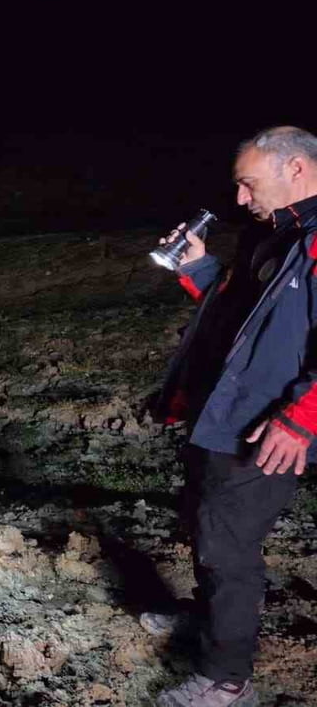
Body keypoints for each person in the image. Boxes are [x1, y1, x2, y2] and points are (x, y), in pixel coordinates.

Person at [145, 126, 317, 707]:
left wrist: (301, 419)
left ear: (295, 169)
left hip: (270, 427)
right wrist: (197, 268)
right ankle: (209, 623)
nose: (241, 200)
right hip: (223, 411)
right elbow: (240, 312)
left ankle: (226, 677)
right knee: (202, 520)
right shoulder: (273, 235)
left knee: (228, 545)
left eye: (248, 184)